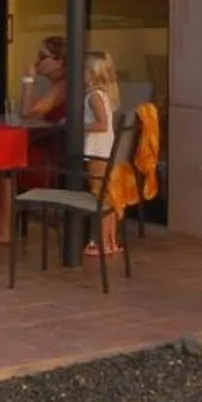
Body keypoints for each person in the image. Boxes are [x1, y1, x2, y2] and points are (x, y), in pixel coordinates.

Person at [0, 35, 67, 246]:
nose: (36, 62)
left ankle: (2, 227)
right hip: (49, 144)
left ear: (59, 61)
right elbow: (32, 111)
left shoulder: (62, 87)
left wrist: (28, 79)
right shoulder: (58, 86)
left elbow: (26, 111)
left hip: (53, 158)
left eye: (42, 57)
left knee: (6, 158)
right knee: (2, 146)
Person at [81, 49, 124, 259]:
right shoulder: (104, 94)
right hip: (105, 151)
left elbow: (101, 124)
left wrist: (79, 125)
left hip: (97, 152)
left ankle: (101, 241)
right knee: (106, 196)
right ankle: (110, 241)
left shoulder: (93, 96)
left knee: (99, 197)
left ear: (91, 72)